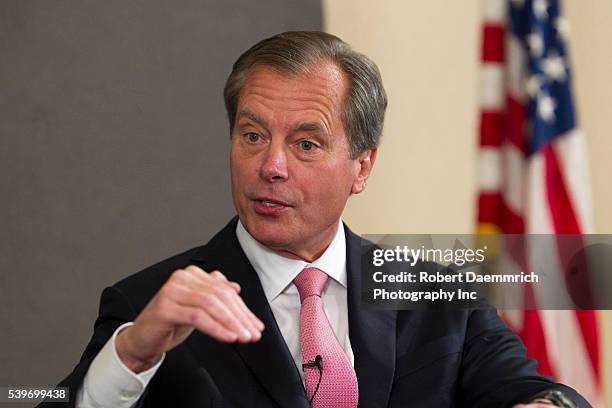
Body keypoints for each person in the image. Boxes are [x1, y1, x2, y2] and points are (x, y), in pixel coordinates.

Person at [42, 31, 591, 408]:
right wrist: (134, 351)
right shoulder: (146, 309)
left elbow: (538, 390)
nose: (271, 167)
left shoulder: (440, 297)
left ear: (362, 166)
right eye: (252, 136)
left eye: (306, 143)